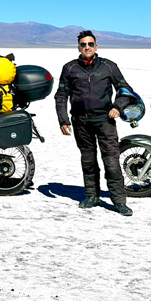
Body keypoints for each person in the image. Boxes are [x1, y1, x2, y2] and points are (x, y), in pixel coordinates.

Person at [55, 30, 133, 216]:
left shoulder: (108, 66)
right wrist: (63, 120)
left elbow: (125, 90)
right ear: (78, 48)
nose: (87, 47)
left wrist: (118, 107)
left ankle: (119, 201)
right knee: (88, 161)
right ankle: (92, 196)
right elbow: (61, 95)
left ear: (96, 46)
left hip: (104, 120)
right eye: (83, 45)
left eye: (90, 44)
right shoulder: (70, 68)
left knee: (111, 161)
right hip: (81, 121)